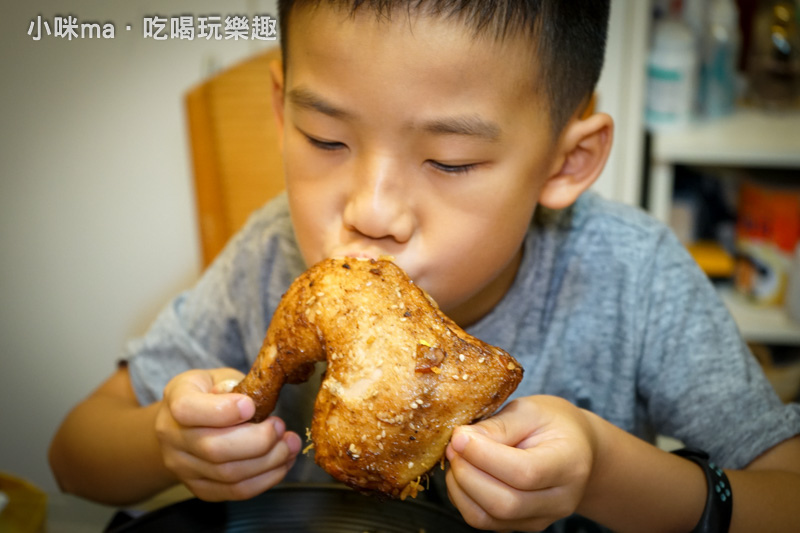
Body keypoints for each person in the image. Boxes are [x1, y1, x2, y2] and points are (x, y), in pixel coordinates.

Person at [49, 1, 800, 531]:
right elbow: (76, 454)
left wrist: (607, 475)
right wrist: (168, 442)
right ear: (281, 111)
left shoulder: (634, 275)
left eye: (450, 160)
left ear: (566, 161)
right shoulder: (270, 252)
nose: (372, 211)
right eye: (324, 139)